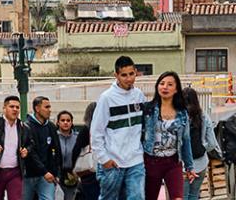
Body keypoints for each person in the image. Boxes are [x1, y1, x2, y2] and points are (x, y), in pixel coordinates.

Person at [91, 55, 146, 200]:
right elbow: (96, 132)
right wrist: (104, 159)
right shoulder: (106, 98)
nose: (128, 79)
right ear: (116, 75)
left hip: (136, 160)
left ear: (136, 72)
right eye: (124, 75)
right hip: (113, 162)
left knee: (137, 197)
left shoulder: (140, 96)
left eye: (131, 74)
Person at [142, 71, 195, 200]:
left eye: (170, 84)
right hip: (150, 162)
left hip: (173, 162)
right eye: (162, 83)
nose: (165, 87)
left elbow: (186, 140)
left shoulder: (182, 113)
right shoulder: (147, 109)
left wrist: (189, 166)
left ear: (176, 89)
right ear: (157, 86)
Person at [182, 87, 221, 200]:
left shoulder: (179, 118)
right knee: (194, 195)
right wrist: (203, 148)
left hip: (183, 167)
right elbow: (213, 143)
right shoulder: (204, 116)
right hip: (201, 164)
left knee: (182, 196)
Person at [23, 96, 62, 200]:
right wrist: (44, 171)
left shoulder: (51, 127)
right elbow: (31, 154)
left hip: (47, 176)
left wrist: (57, 173)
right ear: (37, 108)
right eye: (47, 107)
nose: (50, 110)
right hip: (29, 175)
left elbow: (56, 150)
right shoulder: (26, 127)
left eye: (50, 107)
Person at [72, 102, 99, 200]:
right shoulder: (106, 129)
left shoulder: (86, 130)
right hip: (106, 169)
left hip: (89, 172)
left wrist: (73, 167)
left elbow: (76, 149)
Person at [57, 110, 79, 200]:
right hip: (56, 173)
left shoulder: (77, 137)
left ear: (72, 122)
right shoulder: (54, 137)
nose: (65, 123)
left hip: (72, 174)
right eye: (62, 120)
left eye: (68, 120)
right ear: (58, 122)